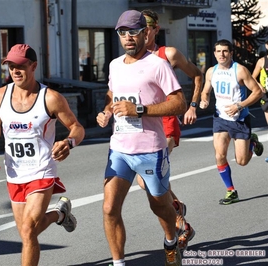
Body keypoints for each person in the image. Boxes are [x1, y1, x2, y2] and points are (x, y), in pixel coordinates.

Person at [96, 10, 187, 266]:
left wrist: (139, 110)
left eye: (133, 32)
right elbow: (112, 94)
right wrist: (105, 112)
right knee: (109, 208)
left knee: (159, 206)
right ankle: (118, 263)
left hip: (150, 150)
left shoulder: (157, 65)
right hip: (120, 149)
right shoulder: (114, 64)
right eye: (122, 33)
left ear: (145, 33)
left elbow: (180, 102)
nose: (128, 38)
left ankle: (171, 239)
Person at [0, 44, 85, 266]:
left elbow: (77, 127)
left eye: (21, 66)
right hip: (15, 173)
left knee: (28, 230)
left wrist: (68, 142)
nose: (15, 71)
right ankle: (60, 215)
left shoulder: (50, 98)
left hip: (42, 170)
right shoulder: (0, 96)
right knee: (26, 231)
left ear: (34, 66)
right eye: (11, 66)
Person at [135, 9, 202, 250]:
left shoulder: (168, 54)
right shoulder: (133, 57)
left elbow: (197, 75)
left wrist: (193, 105)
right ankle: (180, 216)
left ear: (155, 29)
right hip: (142, 125)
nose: (143, 31)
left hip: (166, 123)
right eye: (138, 27)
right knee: (152, 183)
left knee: (146, 182)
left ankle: (179, 218)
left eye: (148, 26)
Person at [200, 39, 264, 205]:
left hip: (240, 119)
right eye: (218, 51)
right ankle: (231, 191)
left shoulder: (240, 70)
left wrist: (239, 105)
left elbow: (257, 92)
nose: (222, 54)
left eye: (225, 51)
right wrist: (204, 101)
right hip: (220, 119)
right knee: (219, 155)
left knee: (242, 161)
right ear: (214, 53)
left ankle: (252, 142)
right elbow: (205, 91)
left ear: (231, 53)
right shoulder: (211, 72)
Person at [251, 40, 268, 130]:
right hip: (266, 96)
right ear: (266, 46)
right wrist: (260, 86)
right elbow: (253, 77)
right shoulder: (262, 61)